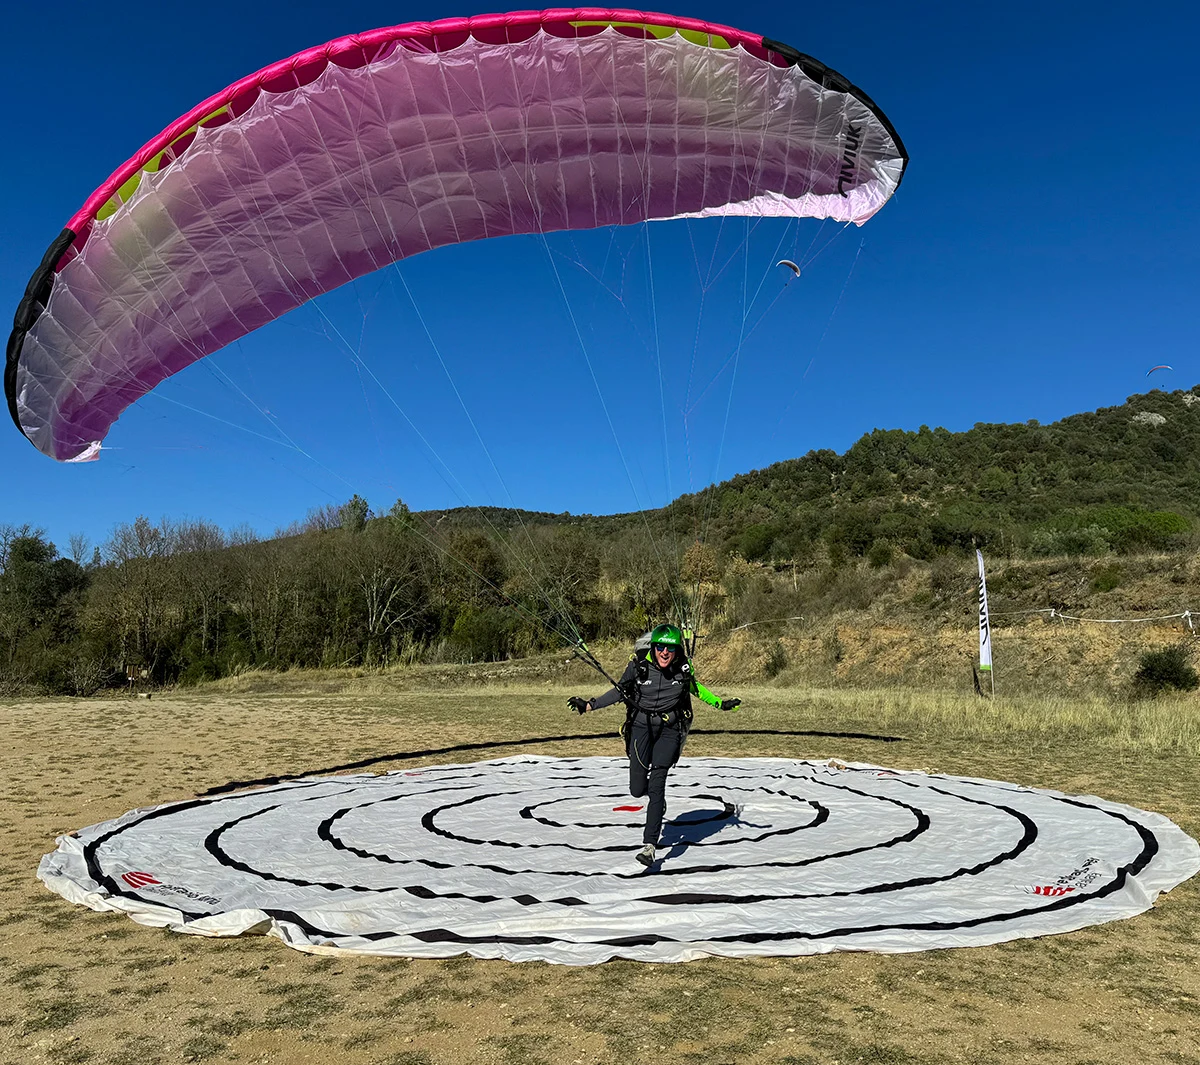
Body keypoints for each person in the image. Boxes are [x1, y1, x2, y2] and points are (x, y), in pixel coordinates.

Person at [568, 624, 741, 866]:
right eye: (660, 647)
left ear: (676, 649)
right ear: (654, 647)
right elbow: (619, 692)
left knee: (658, 784)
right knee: (637, 789)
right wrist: (589, 705)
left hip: (670, 730)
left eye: (670, 648)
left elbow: (696, 689)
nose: (664, 653)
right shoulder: (638, 666)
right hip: (640, 729)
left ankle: (649, 846)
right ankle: (656, 803)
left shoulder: (682, 668)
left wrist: (720, 704)